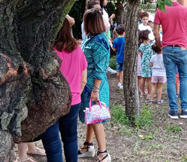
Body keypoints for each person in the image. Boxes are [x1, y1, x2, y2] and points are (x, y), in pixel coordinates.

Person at [40, 18, 87, 162]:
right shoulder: (78, 50)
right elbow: (83, 79)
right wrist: (75, 95)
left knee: (52, 144)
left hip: (50, 103)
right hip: (73, 101)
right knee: (71, 139)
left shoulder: (47, 53)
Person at [153, 0, 187, 119]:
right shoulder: (186, 10)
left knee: (171, 79)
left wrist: (161, 44)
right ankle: (184, 108)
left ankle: (173, 109)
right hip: (182, 48)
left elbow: (155, 32)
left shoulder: (160, 10)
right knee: (183, 78)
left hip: (167, 48)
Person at [78, 8, 111, 162]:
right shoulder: (91, 38)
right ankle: (88, 145)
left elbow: (100, 67)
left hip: (95, 85)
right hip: (88, 83)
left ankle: (103, 153)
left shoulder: (100, 41)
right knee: (90, 113)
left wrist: (96, 89)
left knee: (96, 117)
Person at [139, 30, 153, 100]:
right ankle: (149, 93)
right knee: (149, 79)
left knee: (142, 77)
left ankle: (142, 92)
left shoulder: (141, 45)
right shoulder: (151, 45)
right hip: (149, 64)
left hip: (143, 63)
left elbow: (141, 54)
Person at [110, 25, 126, 89]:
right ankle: (122, 83)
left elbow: (114, 49)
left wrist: (110, 43)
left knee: (118, 71)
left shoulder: (116, 40)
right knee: (122, 71)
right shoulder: (125, 39)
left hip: (118, 57)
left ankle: (119, 82)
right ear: (124, 32)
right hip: (124, 58)